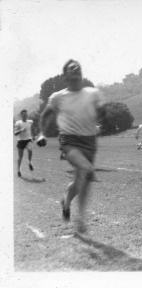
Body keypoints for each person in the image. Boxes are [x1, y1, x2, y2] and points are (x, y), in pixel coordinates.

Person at [39, 59, 105, 233]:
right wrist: (41, 133)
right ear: (65, 75)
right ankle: (79, 217)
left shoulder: (93, 93)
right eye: (71, 68)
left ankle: (69, 205)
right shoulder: (58, 97)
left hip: (90, 141)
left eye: (78, 68)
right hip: (69, 141)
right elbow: (45, 115)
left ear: (81, 74)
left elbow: (101, 113)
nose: (75, 70)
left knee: (81, 180)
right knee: (86, 169)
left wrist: (99, 118)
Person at [14, 109, 34, 177]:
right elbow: (15, 133)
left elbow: (32, 129)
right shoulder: (18, 123)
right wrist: (21, 130)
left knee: (30, 150)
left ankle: (30, 162)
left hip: (28, 140)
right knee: (20, 157)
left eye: (26, 114)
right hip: (21, 141)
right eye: (24, 115)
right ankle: (18, 170)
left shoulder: (30, 122)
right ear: (21, 115)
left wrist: (33, 135)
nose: (25, 116)